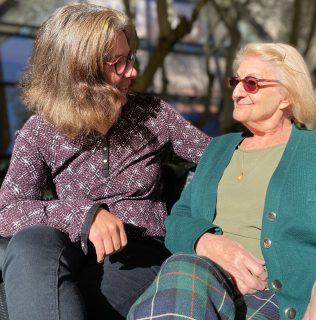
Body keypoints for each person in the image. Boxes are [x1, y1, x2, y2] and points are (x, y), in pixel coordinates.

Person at [128, 42, 316, 320]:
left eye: (251, 83)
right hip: (201, 283)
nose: (236, 92)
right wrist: (204, 242)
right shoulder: (217, 150)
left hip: (275, 299)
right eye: (236, 82)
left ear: (285, 96)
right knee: (184, 270)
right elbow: (180, 218)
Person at [0, 3, 210, 320]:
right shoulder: (41, 131)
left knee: (76, 299)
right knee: (31, 243)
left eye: (131, 58)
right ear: (81, 71)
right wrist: (83, 214)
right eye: (119, 63)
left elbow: (217, 159)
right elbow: (7, 211)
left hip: (137, 253)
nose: (133, 72)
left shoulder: (152, 115)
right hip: (71, 245)